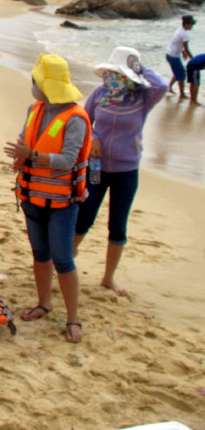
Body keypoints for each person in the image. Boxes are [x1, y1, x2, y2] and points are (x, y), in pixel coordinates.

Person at [4, 54, 91, 344]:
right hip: (33, 197)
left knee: (63, 259)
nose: (33, 85)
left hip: (62, 202)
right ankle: (44, 303)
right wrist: (20, 157)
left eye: (36, 81)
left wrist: (32, 156)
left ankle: (73, 318)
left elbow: (68, 160)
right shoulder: (35, 109)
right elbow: (24, 139)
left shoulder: (76, 118)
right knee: (40, 252)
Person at [73, 46, 166, 296]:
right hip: (97, 167)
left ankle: (108, 278)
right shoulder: (100, 93)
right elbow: (83, 118)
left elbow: (162, 86)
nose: (117, 78)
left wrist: (139, 68)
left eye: (122, 73)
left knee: (118, 225)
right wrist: (93, 137)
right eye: (115, 72)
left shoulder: (142, 97)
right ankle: (67, 258)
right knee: (84, 216)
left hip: (127, 170)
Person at [165, 14, 195, 99]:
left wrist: (182, 52)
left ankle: (169, 87)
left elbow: (178, 42)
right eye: (191, 24)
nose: (192, 26)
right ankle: (182, 94)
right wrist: (193, 59)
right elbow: (186, 49)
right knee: (181, 75)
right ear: (186, 24)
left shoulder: (180, 30)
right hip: (173, 56)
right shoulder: (185, 34)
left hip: (169, 54)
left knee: (178, 72)